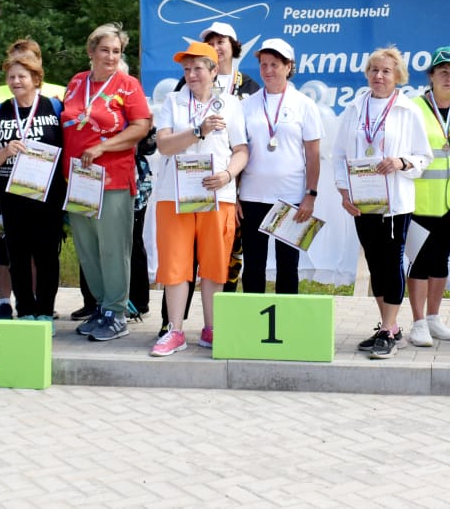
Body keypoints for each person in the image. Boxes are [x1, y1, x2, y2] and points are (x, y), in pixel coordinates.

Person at [334, 47, 433, 359]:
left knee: (391, 263)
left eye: (386, 71)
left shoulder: (408, 110)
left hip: (395, 204)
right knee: (375, 264)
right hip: (362, 202)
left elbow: (424, 157)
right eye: (374, 70)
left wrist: (401, 162)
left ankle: (389, 329)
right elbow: (338, 155)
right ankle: (388, 327)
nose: (379, 76)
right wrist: (343, 191)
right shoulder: (353, 109)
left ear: (398, 76)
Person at [152, 42, 249, 356]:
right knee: (175, 264)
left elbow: (242, 150)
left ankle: (211, 329)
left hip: (217, 194)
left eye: (197, 68)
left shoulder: (231, 104)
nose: (191, 75)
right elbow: (164, 145)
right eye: (186, 69)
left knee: (214, 264)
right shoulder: (172, 101)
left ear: (213, 70)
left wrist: (227, 175)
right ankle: (175, 330)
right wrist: (198, 130)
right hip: (174, 195)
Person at [63, 24, 152, 343]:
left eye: (116, 51)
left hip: (113, 177)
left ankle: (117, 311)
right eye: (105, 50)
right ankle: (101, 306)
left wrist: (103, 146)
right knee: (88, 249)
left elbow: (141, 126)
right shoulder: (76, 83)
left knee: (114, 247)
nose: (111, 56)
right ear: (91, 52)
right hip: (78, 178)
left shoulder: (128, 85)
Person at [0, 42, 68, 331]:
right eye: (12, 77)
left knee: (46, 254)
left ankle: (45, 310)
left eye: (22, 77)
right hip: (13, 193)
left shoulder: (54, 106)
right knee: (17, 254)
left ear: (36, 79)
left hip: (48, 193)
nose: (16, 82)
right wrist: (5, 152)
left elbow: (69, 147)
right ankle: (25, 309)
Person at [237, 38, 323, 295]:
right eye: (264, 65)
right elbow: (239, 151)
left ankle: (286, 326)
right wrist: (235, 196)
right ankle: (252, 325)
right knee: (253, 266)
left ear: (288, 67)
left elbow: (313, 154)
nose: (268, 70)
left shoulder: (304, 105)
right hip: (252, 196)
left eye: (275, 64)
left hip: (291, 197)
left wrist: (311, 195)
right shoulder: (247, 105)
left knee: (288, 266)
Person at [407, 46, 450, 347]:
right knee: (419, 262)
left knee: (441, 261)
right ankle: (418, 322)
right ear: (431, 76)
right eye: (443, 72)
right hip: (420, 199)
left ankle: (434, 317)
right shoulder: (412, 107)